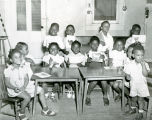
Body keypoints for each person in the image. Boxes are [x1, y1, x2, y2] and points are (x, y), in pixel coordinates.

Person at [4, 49, 56, 120]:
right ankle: (21, 112)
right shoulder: (8, 70)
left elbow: (26, 79)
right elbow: (7, 83)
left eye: (20, 57)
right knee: (27, 97)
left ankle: (45, 109)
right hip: (14, 89)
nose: (19, 58)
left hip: (24, 86)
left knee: (41, 90)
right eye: (16, 57)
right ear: (11, 60)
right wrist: (14, 88)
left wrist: (24, 86)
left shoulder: (23, 67)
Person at [124, 44, 150, 120]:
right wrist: (127, 76)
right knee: (133, 98)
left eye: (142, 55)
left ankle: (141, 112)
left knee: (140, 100)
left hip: (142, 85)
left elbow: (145, 74)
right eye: (138, 55)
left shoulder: (145, 64)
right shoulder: (129, 64)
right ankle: (133, 109)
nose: (140, 57)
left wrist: (143, 66)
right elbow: (127, 73)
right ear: (133, 55)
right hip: (133, 85)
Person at [85, 36, 109, 106]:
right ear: (90, 44)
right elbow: (85, 66)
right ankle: (88, 95)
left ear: (98, 45)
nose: (95, 46)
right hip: (91, 72)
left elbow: (104, 66)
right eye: (93, 44)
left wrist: (104, 59)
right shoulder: (87, 54)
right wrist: (87, 61)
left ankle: (105, 95)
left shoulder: (101, 53)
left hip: (100, 72)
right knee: (94, 80)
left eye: (96, 44)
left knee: (104, 81)